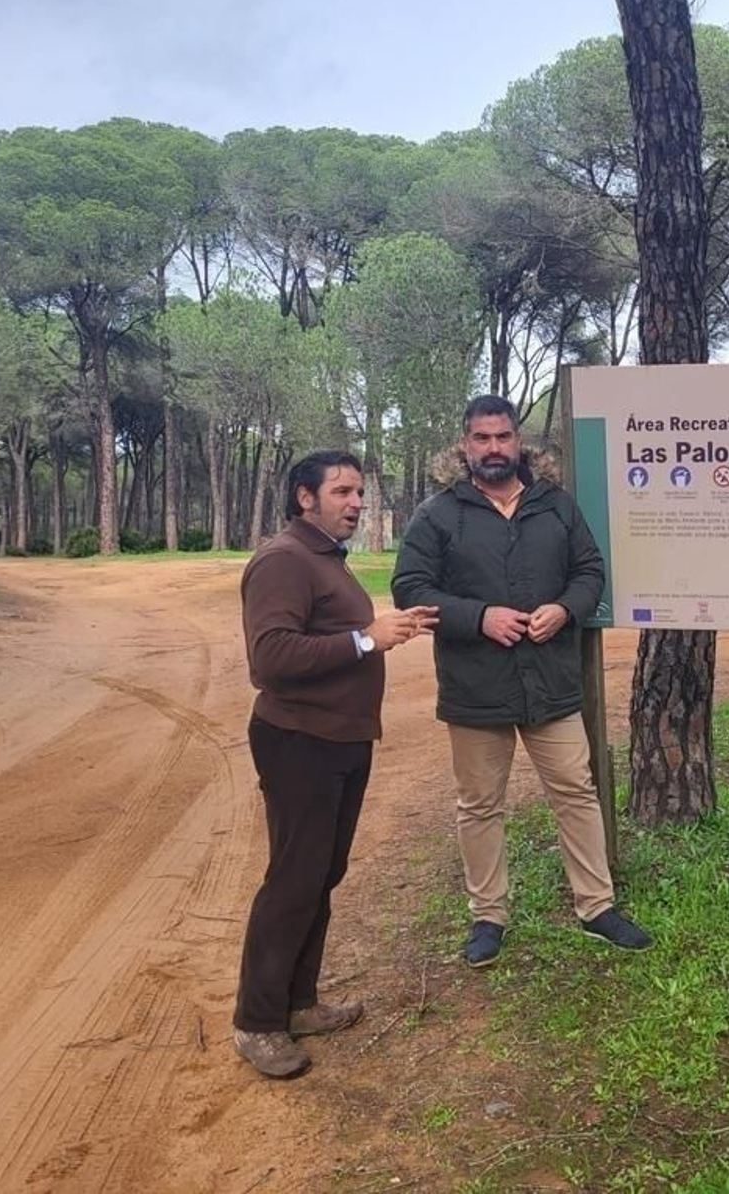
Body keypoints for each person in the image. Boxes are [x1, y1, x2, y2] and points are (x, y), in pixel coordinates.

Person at [391, 395, 652, 968]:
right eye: (481, 439)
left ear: (518, 441)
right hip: (475, 685)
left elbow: (590, 571)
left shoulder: (554, 507)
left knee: (576, 791)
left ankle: (597, 906)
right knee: (479, 805)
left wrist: (565, 609)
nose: (493, 448)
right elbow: (410, 588)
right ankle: (488, 915)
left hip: (550, 681)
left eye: (503, 437)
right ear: (465, 445)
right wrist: (478, 617)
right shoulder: (438, 514)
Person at [233, 451, 438, 1078]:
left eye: (359, 493)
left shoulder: (324, 559)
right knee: (294, 878)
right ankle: (257, 1022)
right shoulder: (283, 561)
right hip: (299, 740)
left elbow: (340, 635)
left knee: (322, 872)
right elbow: (269, 658)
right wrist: (365, 638)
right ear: (305, 498)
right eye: (342, 492)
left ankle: (299, 1001)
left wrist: (385, 629)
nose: (355, 503)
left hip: (341, 739)